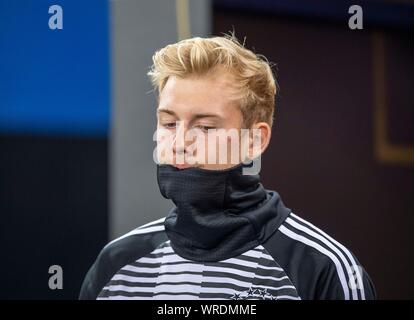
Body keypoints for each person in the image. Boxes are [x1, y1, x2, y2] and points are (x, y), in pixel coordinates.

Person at [79, 35, 376, 300]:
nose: (180, 142)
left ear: (254, 140)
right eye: (169, 123)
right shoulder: (117, 265)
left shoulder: (322, 268)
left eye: (206, 127)